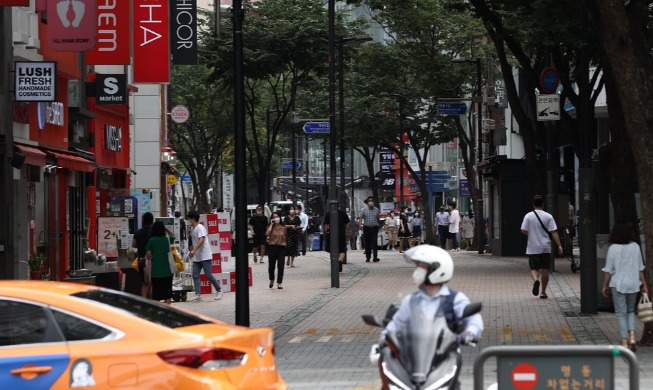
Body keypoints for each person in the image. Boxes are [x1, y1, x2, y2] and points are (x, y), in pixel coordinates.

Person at [380, 245, 483, 377]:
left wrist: (470, 333)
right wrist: (385, 338)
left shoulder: (455, 299)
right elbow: (396, 323)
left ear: (437, 270)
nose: (417, 271)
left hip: (444, 360)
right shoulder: (411, 300)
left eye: (422, 268)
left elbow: (474, 320)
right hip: (413, 360)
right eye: (417, 267)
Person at [602, 222, 648, 351]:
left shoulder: (613, 248)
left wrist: (604, 286)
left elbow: (609, 270)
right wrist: (644, 285)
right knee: (630, 311)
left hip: (618, 284)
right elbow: (640, 269)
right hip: (634, 284)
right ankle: (632, 337)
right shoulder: (635, 247)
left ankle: (624, 341)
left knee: (620, 313)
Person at [520, 195, 563, 299]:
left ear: (533, 204)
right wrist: (559, 246)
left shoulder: (528, 216)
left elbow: (523, 230)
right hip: (546, 247)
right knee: (545, 269)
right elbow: (554, 232)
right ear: (543, 204)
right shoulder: (548, 216)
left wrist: (531, 233)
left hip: (533, 247)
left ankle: (536, 280)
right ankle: (543, 292)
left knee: (533, 268)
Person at [187, 211, 223, 301]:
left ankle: (219, 290)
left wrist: (194, 250)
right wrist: (192, 249)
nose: (188, 221)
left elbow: (201, 239)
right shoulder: (193, 229)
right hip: (197, 257)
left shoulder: (200, 228)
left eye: (189, 219)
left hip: (205, 256)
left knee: (208, 274)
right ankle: (198, 294)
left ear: (193, 219)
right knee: (195, 275)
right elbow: (195, 242)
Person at [145, 221, 175, 304]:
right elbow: (174, 236)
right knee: (167, 296)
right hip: (167, 271)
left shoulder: (151, 240)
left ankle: (157, 314)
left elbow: (148, 255)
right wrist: (166, 229)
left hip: (156, 272)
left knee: (156, 296)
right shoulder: (167, 238)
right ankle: (167, 313)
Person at [132, 212, 153, 298]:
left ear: (143, 221)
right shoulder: (154, 232)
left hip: (141, 260)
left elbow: (133, 245)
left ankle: (144, 302)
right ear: (152, 221)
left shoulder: (138, 232)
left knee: (144, 283)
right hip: (152, 260)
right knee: (152, 283)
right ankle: (152, 303)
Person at [266, 212, 289, 289]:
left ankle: (279, 282)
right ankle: (271, 279)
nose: (276, 218)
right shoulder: (270, 227)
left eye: (277, 217)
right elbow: (267, 234)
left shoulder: (283, 227)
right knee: (271, 266)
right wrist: (271, 225)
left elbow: (285, 236)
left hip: (281, 247)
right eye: (274, 217)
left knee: (281, 265)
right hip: (272, 247)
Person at [360, 196, 381, 262]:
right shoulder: (364, 210)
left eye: (372, 200)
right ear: (367, 202)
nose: (371, 202)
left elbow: (378, 218)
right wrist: (360, 224)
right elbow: (360, 218)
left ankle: (375, 257)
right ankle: (368, 257)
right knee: (367, 243)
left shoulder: (377, 209)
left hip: (375, 228)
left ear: (373, 202)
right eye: (369, 201)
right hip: (366, 228)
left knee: (374, 242)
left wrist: (378, 224)